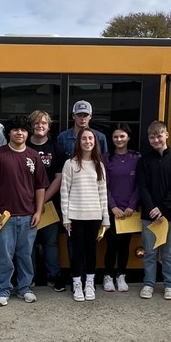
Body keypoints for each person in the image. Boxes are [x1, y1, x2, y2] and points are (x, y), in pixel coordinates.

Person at [0, 115, 47, 306]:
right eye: (15, 129)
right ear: (9, 132)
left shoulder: (33, 156)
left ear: (28, 133)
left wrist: (38, 211)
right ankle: (3, 289)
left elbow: (40, 186)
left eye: (23, 130)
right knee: (4, 256)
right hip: (4, 217)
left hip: (28, 216)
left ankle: (24, 288)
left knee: (25, 255)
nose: (19, 133)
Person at [136, 121, 171, 300]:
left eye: (159, 136)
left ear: (167, 135)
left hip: (169, 215)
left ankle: (170, 285)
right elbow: (142, 186)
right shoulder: (144, 160)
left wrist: (163, 208)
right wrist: (151, 208)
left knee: (168, 253)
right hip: (149, 215)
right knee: (150, 252)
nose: (156, 140)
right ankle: (149, 284)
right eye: (152, 137)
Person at [60, 129, 110, 301]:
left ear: (95, 142)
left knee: (91, 251)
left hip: (94, 216)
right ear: (78, 142)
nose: (87, 141)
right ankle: (76, 284)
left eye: (90, 138)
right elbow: (64, 191)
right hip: (75, 216)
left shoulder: (99, 165)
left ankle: (89, 282)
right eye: (84, 138)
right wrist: (66, 217)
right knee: (77, 251)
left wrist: (105, 218)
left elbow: (103, 193)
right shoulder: (70, 164)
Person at [27, 109, 66, 291]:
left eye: (43, 123)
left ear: (49, 126)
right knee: (28, 243)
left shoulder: (56, 148)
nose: (40, 126)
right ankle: (29, 278)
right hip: (26, 204)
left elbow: (59, 177)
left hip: (49, 204)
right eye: (36, 123)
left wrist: (42, 201)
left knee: (50, 243)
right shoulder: (23, 146)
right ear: (31, 126)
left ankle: (53, 276)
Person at [102, 124, 140, 292]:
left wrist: (131, 205)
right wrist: (113, 206)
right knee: (111, 245)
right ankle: (108, 276)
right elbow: (103, 185)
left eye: (122, 136)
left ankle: (121, 275)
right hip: (112, 210)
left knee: (125, 245)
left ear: (128, 137)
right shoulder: (106, 158)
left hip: (130, 211)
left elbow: (139, 184)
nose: (119, 139)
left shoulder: (136, 158)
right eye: (116, 137)